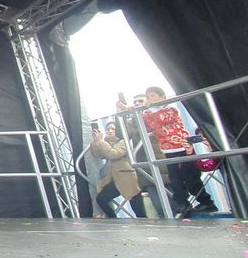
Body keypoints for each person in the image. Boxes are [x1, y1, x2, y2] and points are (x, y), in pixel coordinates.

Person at [143, 86, 218, 215]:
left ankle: (206, 202)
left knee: (191, 177)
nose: (150, 100)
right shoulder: (151, 112)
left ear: (162, 97)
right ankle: (183, 204)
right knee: (175, 179)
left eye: (153, 96)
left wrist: (150, 109)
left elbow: (163, 119)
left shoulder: (172, 109)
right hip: (168, 151)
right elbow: (148, 122)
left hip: (183, 147)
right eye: (148, 97)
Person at [90, 122, 147, 219]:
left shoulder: (123, 142)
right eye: (108, 129)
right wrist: (96, 142)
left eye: (113, 129)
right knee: (101, 198)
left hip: (127, 178)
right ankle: (113, 220)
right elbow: (97, 155)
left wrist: (101, 142)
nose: (110, 131)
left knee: (138, 209)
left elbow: (113, 154)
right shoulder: (105, 143)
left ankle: (145, 224)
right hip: (115, 179)